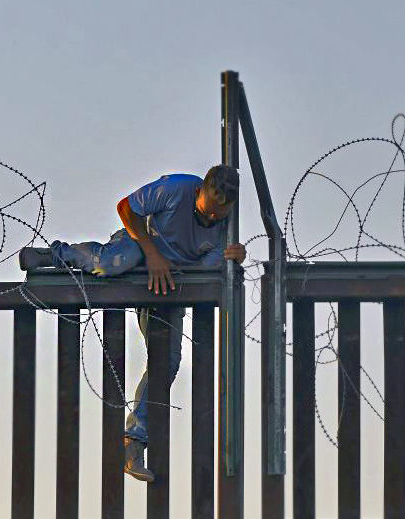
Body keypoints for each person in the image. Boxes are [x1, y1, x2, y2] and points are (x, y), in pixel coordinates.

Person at [18, 165, 246, 482]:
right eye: (206, 214)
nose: (211, 221)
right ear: (199, 193)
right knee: (113, 262)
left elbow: (214, 266)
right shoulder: (178, 189)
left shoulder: (227, 223)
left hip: (166, 283)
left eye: (217, 217)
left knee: (166, 359)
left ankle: (133, 442)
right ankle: (56, 255)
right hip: (140, 246)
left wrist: (234, 256)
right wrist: (152, 254)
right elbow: (126, 207)